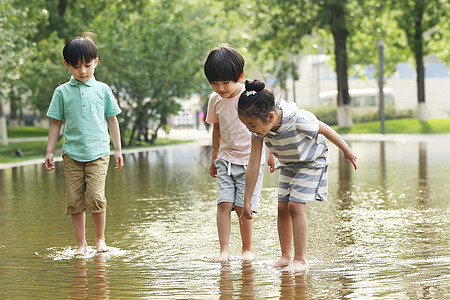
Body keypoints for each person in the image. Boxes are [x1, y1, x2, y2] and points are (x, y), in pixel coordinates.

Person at [238, 79, 357, 272]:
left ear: (270, 116)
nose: (250, 130)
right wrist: (246, 201)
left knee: (294, 206)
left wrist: (346, 150)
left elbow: (323, 128)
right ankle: (286, 256)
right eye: (246, 126)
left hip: (312, 161)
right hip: (289, 163)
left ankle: (301, 259)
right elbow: (252, 164)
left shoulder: (296, 118)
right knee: (282, 207)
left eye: (251, 125)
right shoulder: (260, 128)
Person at [45, 34, 123, 255]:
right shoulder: (61, 92)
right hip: (72, 155)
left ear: (96, 61)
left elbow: (112, 119)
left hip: (99, 153)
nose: (83, 71)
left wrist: (117, 149)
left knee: (96, 197)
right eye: (77, 66)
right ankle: (82, 243)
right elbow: (55, 123)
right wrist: (50, 151)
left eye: (88, 65)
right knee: (75, 200)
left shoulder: (103, 90)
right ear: (67, 65)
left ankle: (100, 239)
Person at [204, 45, 276, 261]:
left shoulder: (248, 98)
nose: (220, 88)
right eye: (214, 83)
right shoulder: (214, 100)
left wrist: (271, 153)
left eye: (225, 82)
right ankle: (224, 250)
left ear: (240, 76)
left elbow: (266, 125)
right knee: (224, 204)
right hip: (226, 159)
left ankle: (247, 248)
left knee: (241, 207)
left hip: (249, 161)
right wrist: (214, 156)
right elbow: (216, 128)